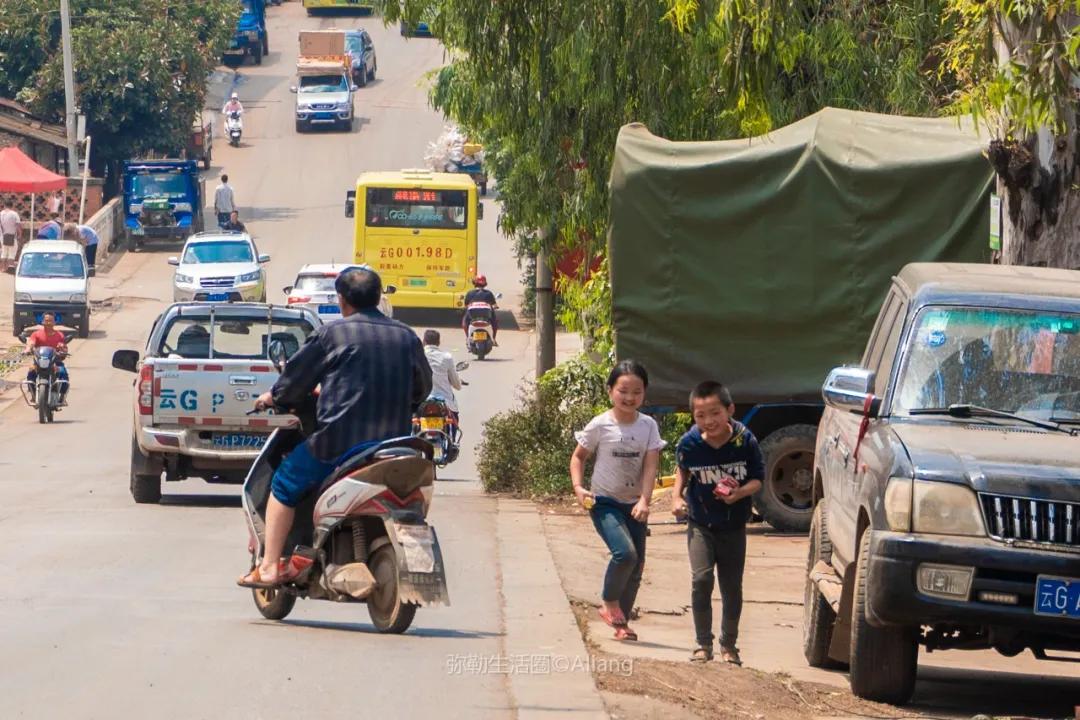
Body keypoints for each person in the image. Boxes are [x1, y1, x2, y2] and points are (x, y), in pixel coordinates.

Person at [238, 267, 433, 588]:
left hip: (338, 443)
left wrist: (273, 396)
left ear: (341, 300)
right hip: (395, 444)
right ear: (378, 298)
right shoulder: (406, 337)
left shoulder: (332, 335)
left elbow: (294, 381)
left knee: (283, 484)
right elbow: (422, 388)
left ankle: (270, 566)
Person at [570, 360, 665, 642]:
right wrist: (578, 488)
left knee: (636, 566)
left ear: (644, 393)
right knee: (625, 554)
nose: (629, 397)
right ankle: (609, 602)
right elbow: (578, 458)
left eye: (637, 392)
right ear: (610, 390)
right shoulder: (600, 425)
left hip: (634, 504)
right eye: (623, 391)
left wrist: (645, 501)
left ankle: (621, 624)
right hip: (604, 502)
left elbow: (650, 466)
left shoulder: (648, 426)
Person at [672, 381, 764, 666]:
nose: (709, 421)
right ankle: (703, 644)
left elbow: (758, 480)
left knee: (731, 587)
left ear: (730, 410)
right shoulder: (689, 443)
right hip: (700, 523)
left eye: (715, 413)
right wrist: (676, 497)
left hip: (733, 526)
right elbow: (682, 470)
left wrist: (739, 493)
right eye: (701, 415)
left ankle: (729, 645)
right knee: (701, 579)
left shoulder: (744, 440)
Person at [25, 313, 70, 405]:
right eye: (46, 320)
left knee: (62, 373)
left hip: (55, 362)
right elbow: (31, 343)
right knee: (31, 372)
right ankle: (33, 394)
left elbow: (64, 346)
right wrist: (28, 349)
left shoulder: (59, 335)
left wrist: (63, 349)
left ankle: (62, 396)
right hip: (39, 362)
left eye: (50, 321)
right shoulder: (36, 334)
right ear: (42, 322)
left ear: (54, 322)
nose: (48, 323)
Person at [422, 328, 462, 421]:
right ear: (438, 342)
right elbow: (457, 385)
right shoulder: (446, 357)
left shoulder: (417, 355)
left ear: (424, 342)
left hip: (421, 403)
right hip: (445, 404)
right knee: (454, 421)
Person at [462, 274, 499, 345]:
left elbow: (466, 305)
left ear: (474, 283)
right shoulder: (489, 293)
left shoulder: (470, 293)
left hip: (473, 315)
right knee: (495, 322)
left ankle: (467, 338)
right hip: (486, 316)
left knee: (465, 322)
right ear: (485, 283)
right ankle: (493, 339)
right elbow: (494, 305)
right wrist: (495, 307)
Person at [0, 201, 20, 272]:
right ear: (12, 206)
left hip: (3, 236)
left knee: (4, 252)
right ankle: (10, 267)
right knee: (12, 252)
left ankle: (3, 268)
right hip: (12, 236)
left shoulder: (1, 213)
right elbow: (18, 226)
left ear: (4, 206)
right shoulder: (14, 214)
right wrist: (20, 234)